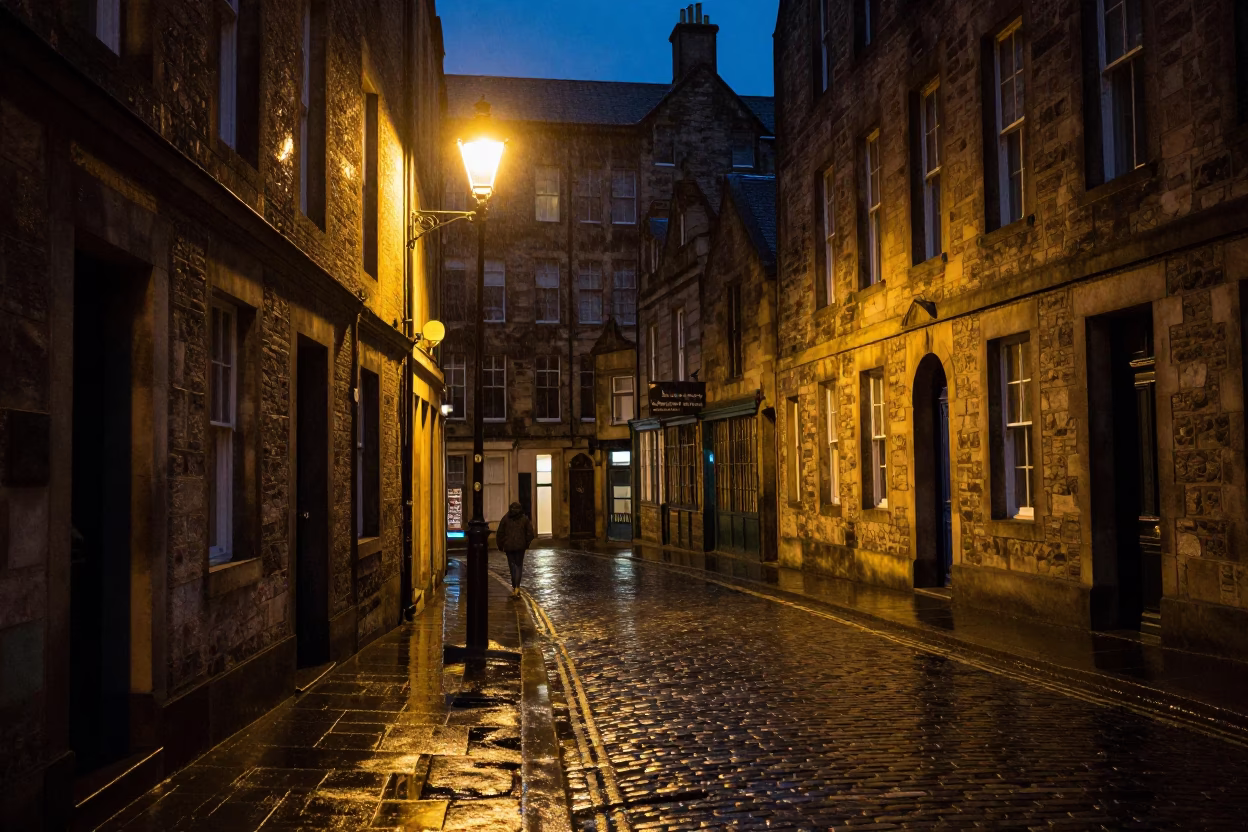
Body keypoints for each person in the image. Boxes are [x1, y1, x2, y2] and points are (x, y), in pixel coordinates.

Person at [495, 501, 535, 595]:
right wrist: (526, 543)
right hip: (520, 546)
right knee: (519, 565)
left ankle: (514, 585)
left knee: (512, 565)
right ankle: (517, 586)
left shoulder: (505, 518)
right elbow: (530, 533)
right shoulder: (524, 519)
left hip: (509, 546)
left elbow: (500, 533)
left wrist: (500, 545)